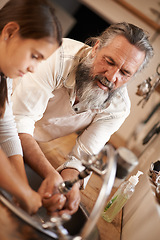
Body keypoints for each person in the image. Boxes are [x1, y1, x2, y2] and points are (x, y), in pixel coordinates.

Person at [12, 22, 154, 216]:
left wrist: (69, 187)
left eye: (125, 72)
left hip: (24, 143)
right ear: (96, 48)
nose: (112, 77)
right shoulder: (56, 56)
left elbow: (80, 160)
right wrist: (50, 174)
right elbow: (18, 121)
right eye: (110, 62)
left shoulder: (118, 108)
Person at [0, 0, 62, 214]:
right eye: (34, 56)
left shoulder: (4, 75)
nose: (33, 68)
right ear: (10, 32)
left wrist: (22, 186)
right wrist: (23, 193)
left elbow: (6, 130)